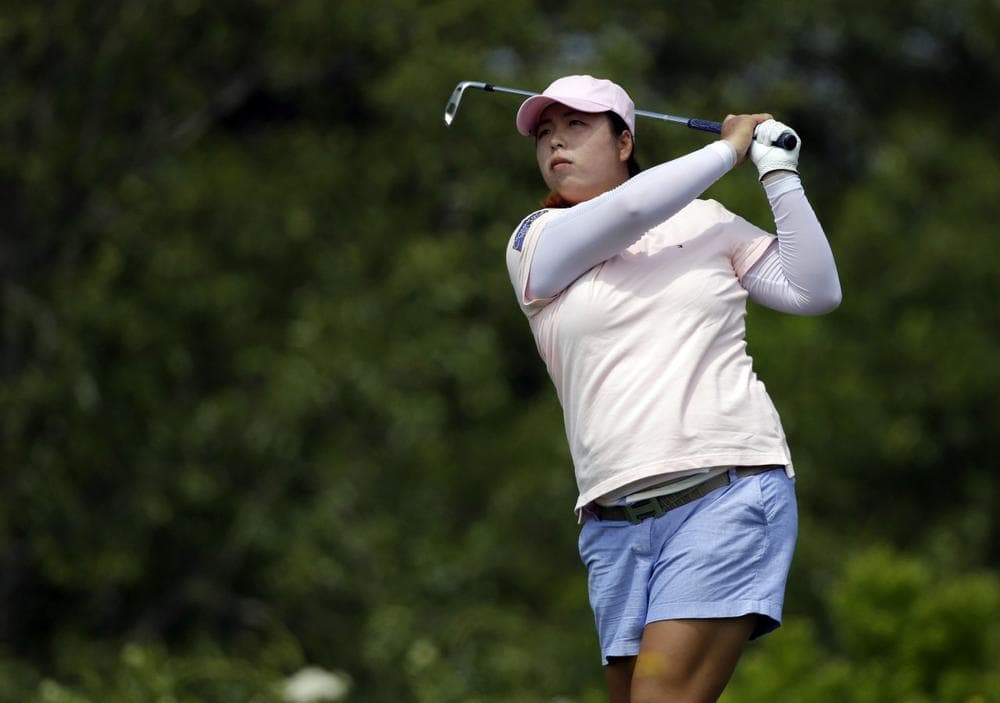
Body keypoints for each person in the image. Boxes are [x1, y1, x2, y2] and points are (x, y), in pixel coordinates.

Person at [504, 75, 841, 703]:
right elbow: (631, 210)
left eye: (577, 126)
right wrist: (727, 149)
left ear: (625, 139)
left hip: (727, 492)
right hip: (613, 524)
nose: (556, 142)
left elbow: (813, 290)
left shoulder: (707, 223)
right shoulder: (536, 242)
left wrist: (777, 173)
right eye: (545, 133)